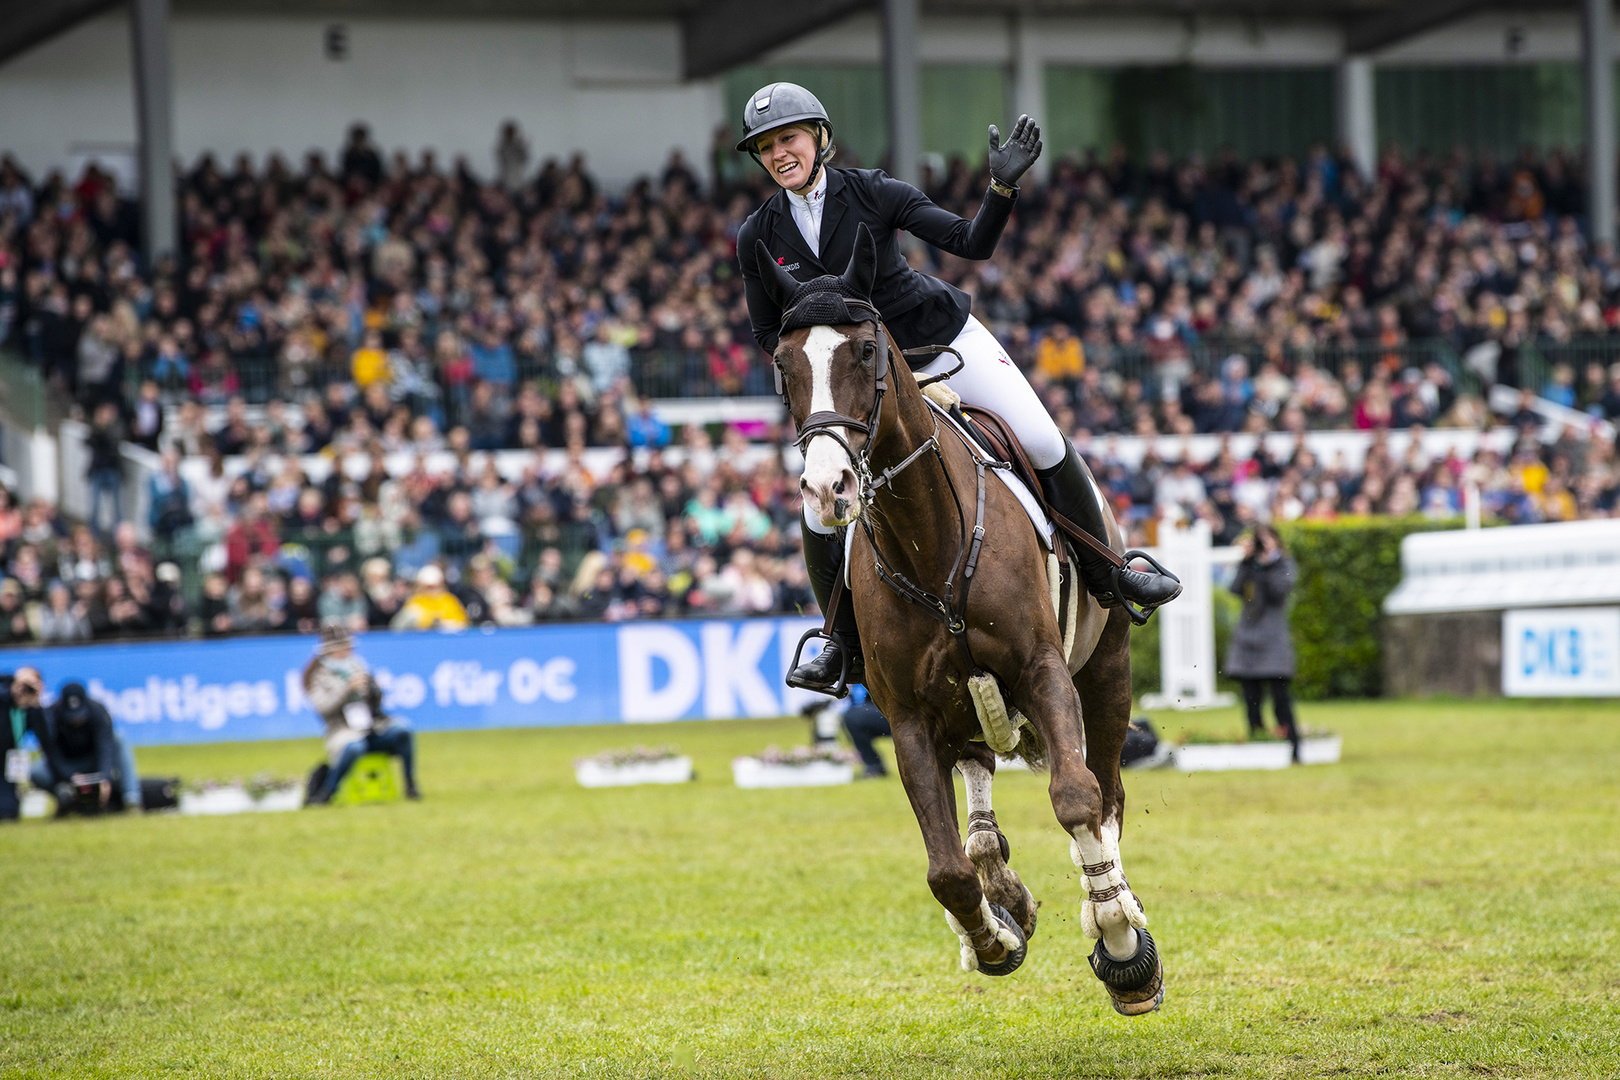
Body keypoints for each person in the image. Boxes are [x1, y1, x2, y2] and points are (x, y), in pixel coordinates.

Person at [734, 83, 1180, 692]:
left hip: (940, 344)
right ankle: (839, 644)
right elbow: (767, 330)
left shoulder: (873, 192)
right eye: (765, 148)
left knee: (1041, 439)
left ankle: (1111, 573)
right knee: (817, 504)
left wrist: (1001, 189)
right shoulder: (756, 234)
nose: (779, 154)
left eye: (788, 138)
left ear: (818, 137)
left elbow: (973, 244)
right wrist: (825, 374)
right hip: (861, 378)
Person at [303, 623, 420, 804]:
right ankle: (327, 791)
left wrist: (373, 688)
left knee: (403, 730)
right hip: (342, 730)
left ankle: (411, 785)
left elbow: (377, 704)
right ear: (330, 651)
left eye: (349, 647)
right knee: (354, 747)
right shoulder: (317, 676)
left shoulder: (357, 665)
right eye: (343, 648)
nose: (348, 652)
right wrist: (347, 689)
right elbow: (323, 708)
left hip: (371, 727)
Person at [1225, 525, 1300, 760]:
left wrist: (1267, 565)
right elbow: (1235, 588)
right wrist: (1248, 563)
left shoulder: (1284, 564)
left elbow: (1279, 592)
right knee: (1251, 699)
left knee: (1281, 698)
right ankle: (1259, 745)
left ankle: (1293, 746)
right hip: (1248, 638)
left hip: (1273, 638)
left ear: (1277, 541)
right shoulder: (1250, 565)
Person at [36, 680, 143, 814]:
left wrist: (104, 777)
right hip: (67, 764)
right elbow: (51, 753)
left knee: (119, 739)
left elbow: (106, 748)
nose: (75, 721)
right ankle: (65, 796)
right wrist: (69, 776)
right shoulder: (50, 716)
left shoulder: (98, 711)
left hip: (92, 761)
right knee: (36, 772)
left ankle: (131, 800)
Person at [1, 669, 53, 821]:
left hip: (5, 767)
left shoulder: (30, 708)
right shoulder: (4, 695)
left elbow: (47, 740)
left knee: (7, 813)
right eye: (23, 684)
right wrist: (11, 694)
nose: (25, 689)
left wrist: (37, 704)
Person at [389, 564, 469, 631]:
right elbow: (398, 627)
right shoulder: (414, 602)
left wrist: (441, 624)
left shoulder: (449, 601)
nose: (432, 590)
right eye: (428, 587)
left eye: (435, 586)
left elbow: (462, 623)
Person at [840, 685, 891, 779]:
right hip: (876, 711)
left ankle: (874, 765)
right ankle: (873, 765)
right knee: (852, 717)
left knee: (852, 717)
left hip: (890, 711)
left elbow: (859, 700)